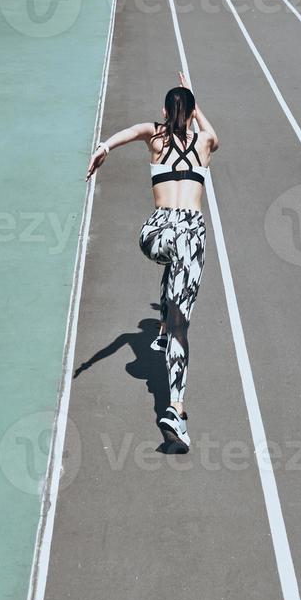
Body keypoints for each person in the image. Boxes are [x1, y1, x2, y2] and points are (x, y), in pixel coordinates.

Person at [85, 73, 218, 452]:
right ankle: (175, 408)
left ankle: (161, 330)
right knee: (181, 327)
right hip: (190, 233)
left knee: (171, 264)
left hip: (156, 233)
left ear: (163, 111)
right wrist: (196, 101)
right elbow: (214, 134)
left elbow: (126, 132)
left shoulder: (154, 135)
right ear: (192, 115)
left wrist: (103, 147)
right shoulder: (205, 142)